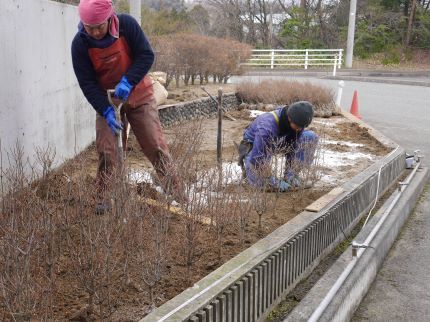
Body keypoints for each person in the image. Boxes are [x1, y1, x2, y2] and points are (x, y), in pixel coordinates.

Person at [71, 0, 181, 213]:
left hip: (139, 93)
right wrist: (105, 109)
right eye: (89, 27)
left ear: (109, 17)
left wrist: (128, 80)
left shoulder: (126, 26)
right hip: (108, 101)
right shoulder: (80, 44)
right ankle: (104, 197)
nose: (94, 32)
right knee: (107, 151)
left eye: (99, 26)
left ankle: (177, 193)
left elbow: (146, 55)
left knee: (154, 145)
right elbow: (87, 83)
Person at [238, 101, 318, 191]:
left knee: (310, 137)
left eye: (302, 126)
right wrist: (272, 181)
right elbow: (257, 159)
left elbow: (293, 147)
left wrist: (290, 173)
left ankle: (292, 177)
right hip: (255, 145)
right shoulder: (266, 127)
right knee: (259, 183)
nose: (300, 129)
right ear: (290, 118)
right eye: (298, 126)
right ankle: (261, 180)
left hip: (278, 140)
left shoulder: (297, 123)